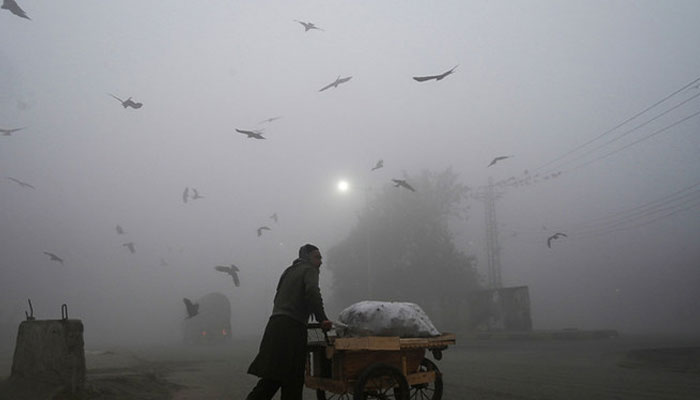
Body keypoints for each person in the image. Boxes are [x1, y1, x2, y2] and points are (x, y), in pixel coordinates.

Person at [245, 244, 333, 400]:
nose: (320, 262)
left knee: (274, 377)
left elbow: (278, 298)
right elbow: (312, 293)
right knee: (292, 378)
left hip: (275, 326)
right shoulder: (309, 269)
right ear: (307, 258)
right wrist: (322, 319)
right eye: (317, 257)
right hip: (291, 328)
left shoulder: (288, 272)